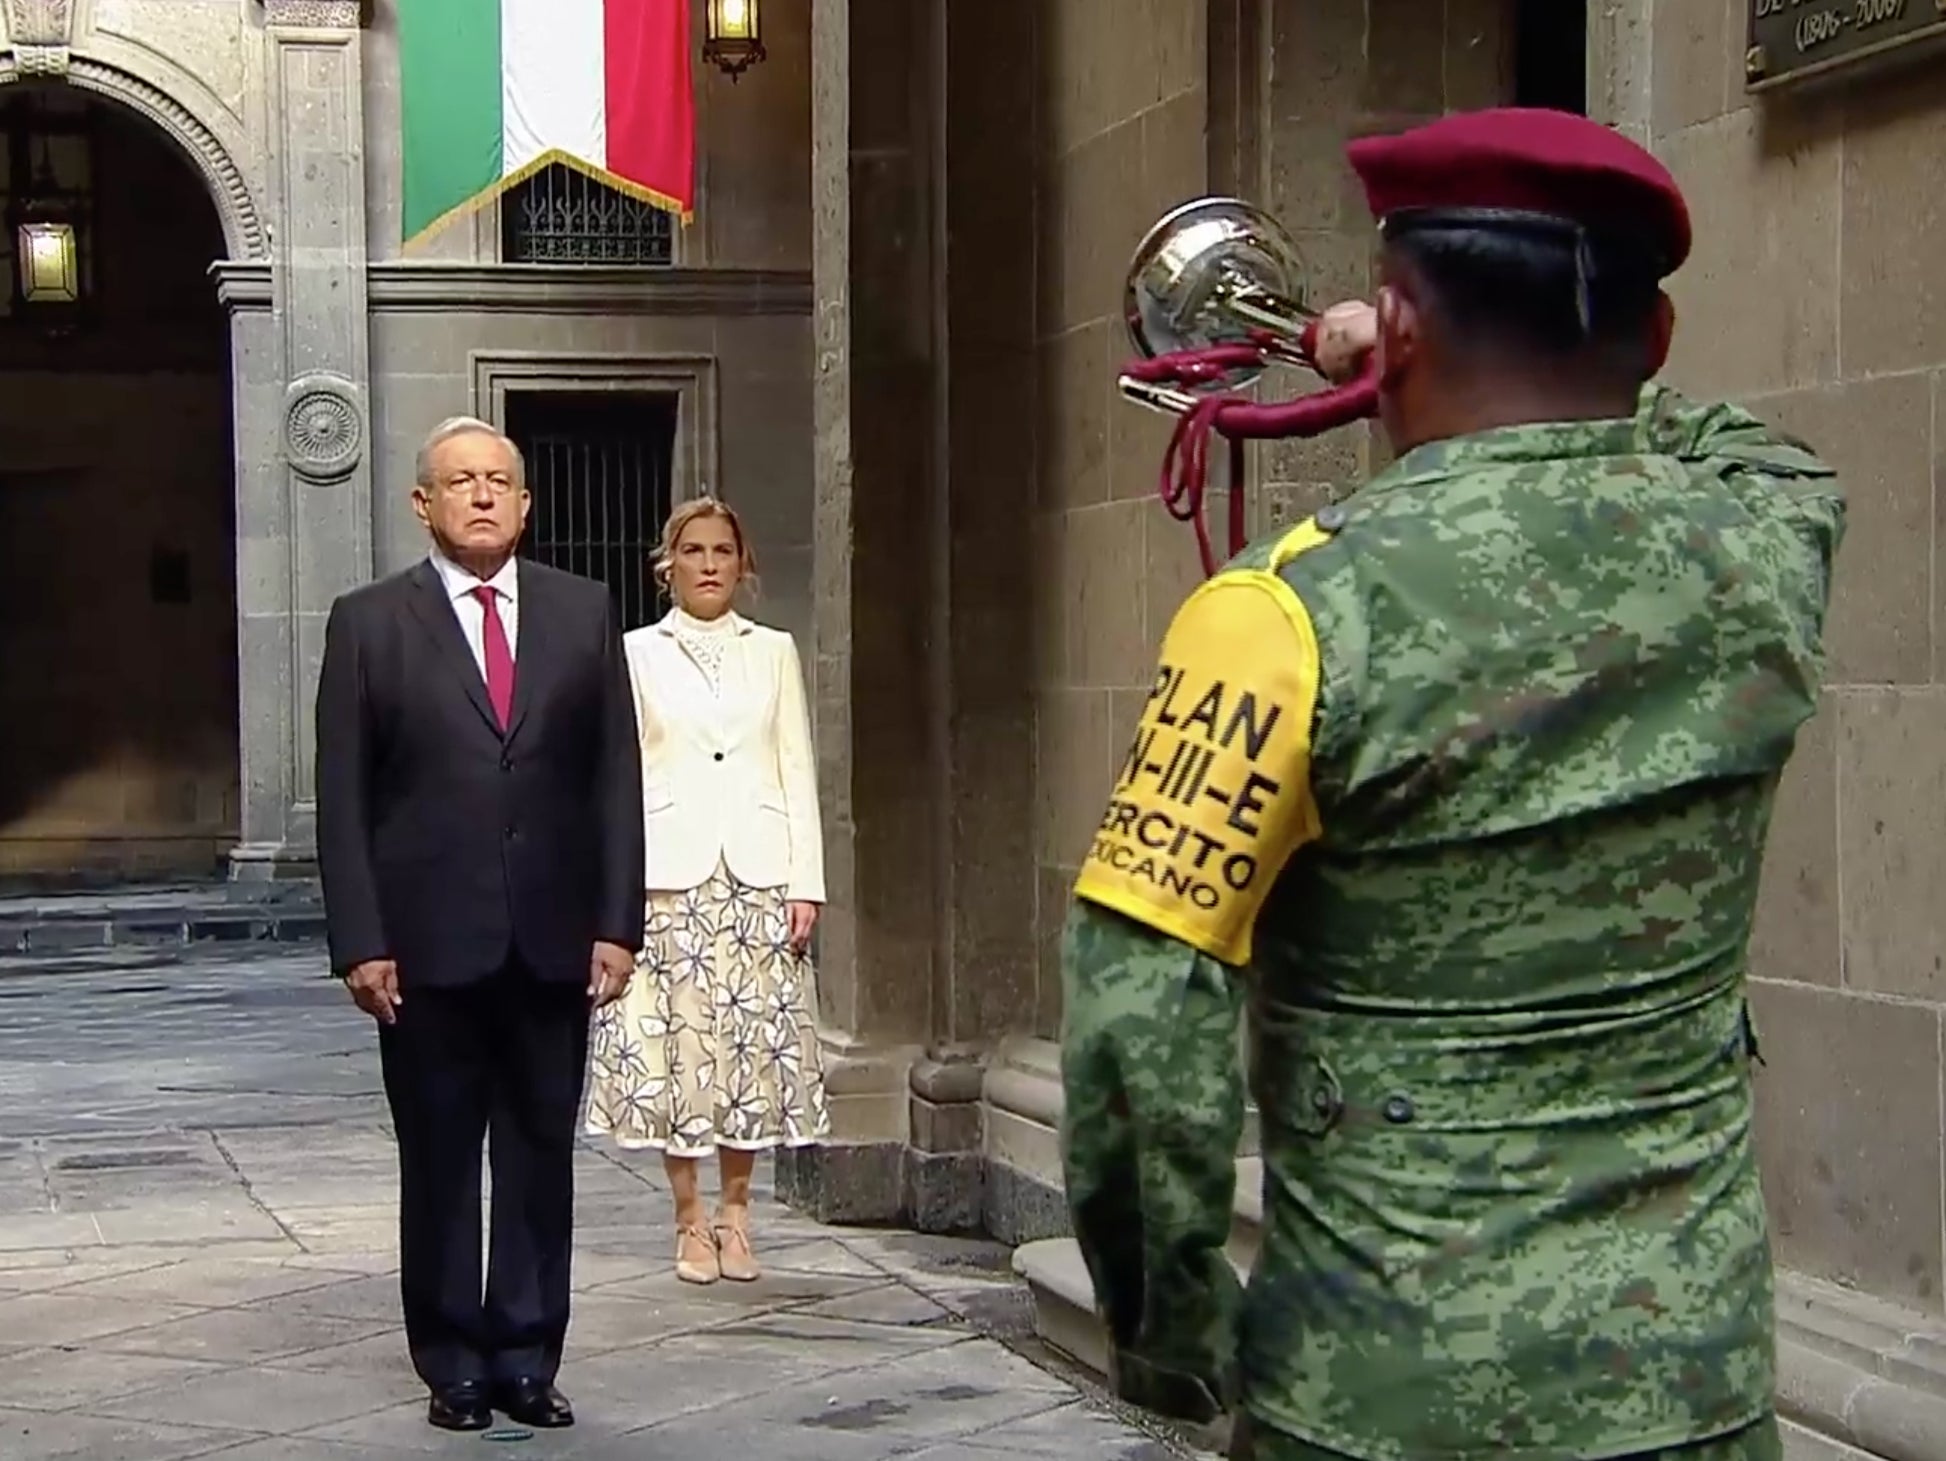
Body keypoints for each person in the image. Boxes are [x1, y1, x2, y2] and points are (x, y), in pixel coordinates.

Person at [1058, 108, 1846, 1461]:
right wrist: (1607, 376)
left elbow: (1138, 1028)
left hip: (1381, 1392)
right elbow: (1770, 453)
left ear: (1396, 325)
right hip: (1688, 1383)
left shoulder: (1288, 611)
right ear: (1651, 339)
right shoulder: (1761, 550)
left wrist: (1170, 1337)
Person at [315, 415, 644, 1434]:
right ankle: (453, 1360)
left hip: (552, 940)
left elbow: (612, 779)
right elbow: (342, 794)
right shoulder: (369, 622)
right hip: (423, 948)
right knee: (443, 1159)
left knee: (541, 1153)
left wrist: (615, 921)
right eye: (463, 481)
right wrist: (361, 940)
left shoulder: (581, 610)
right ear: (425, 503)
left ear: (526, 500)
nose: (485, 496)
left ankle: (528, 1357)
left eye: (501, 480)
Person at [583, 496, 829, 1285]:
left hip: (757, 874)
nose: (711, 562)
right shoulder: (635, 653)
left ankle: (738, 1216)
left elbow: (797, 765)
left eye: (724, 548)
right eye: (694, 549)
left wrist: (807, 880)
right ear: (670, 564)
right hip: (669, 875)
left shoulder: (774, 651)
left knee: (750, 1050)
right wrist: (613, 885)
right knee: (681, 1047)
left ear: (743, 563)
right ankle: (688, 1218)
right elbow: (618, 777)